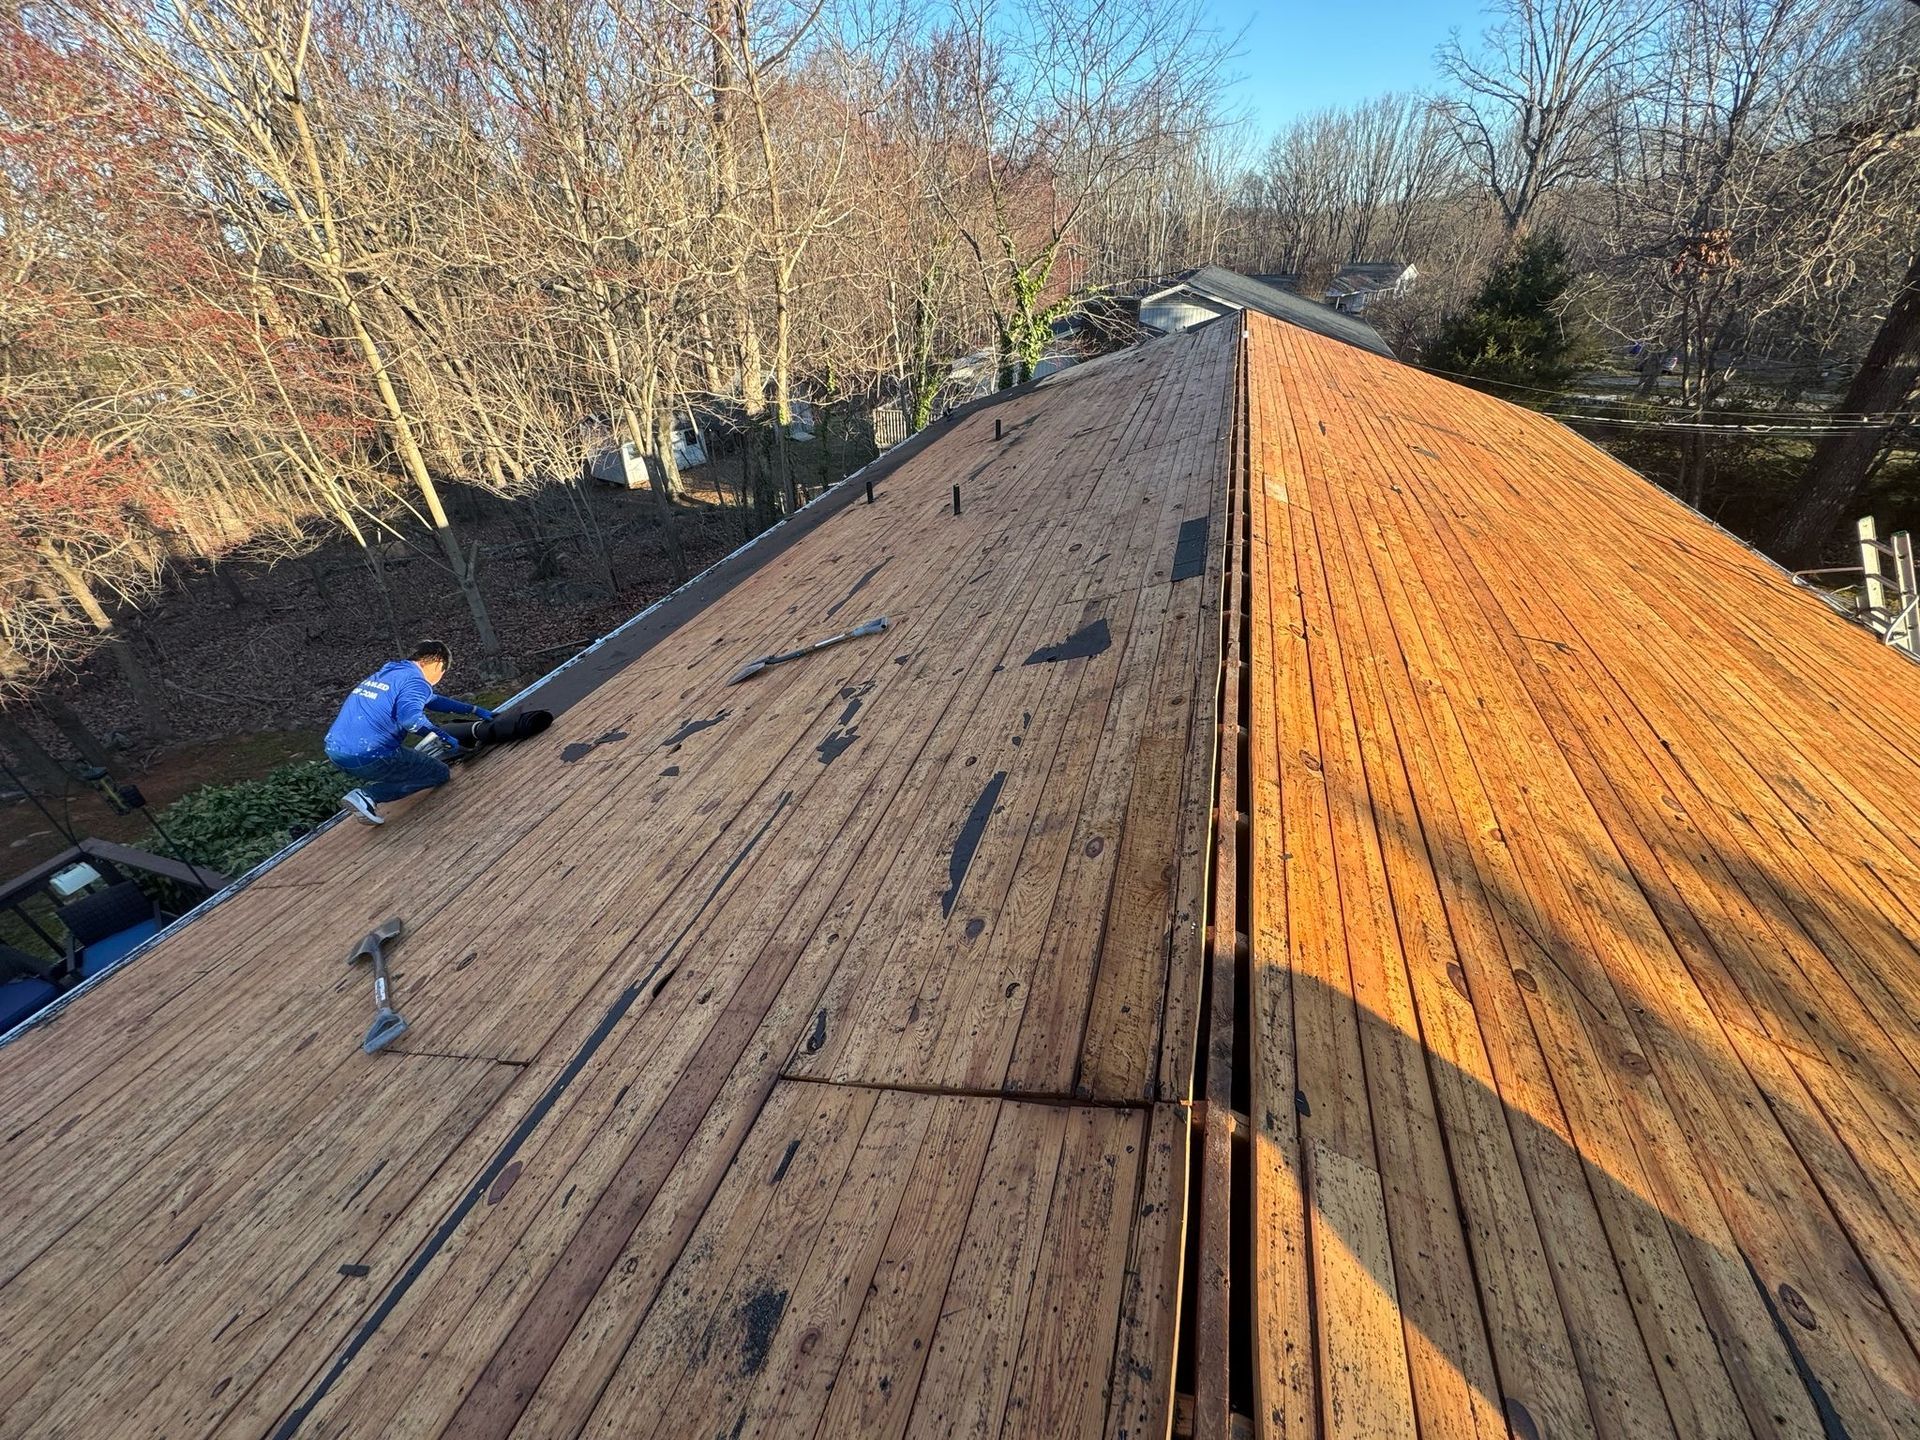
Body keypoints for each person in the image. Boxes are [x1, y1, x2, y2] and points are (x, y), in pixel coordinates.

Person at [324, 640, 495, 826]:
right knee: (438, 773)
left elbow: (432, 700)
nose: (440, 677)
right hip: (368, 755)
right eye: (443, 672)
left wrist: (472, 709)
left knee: (413, 760)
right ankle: (367, 796)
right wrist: (442, 737)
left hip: (336, 749)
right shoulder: (416, 681)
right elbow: (410, 720)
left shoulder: (392, 672)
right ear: (437, 664)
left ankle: (373, 791)